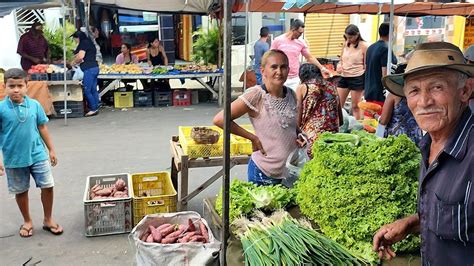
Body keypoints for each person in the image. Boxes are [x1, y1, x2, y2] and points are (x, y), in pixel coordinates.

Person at [372, 42, 474, 264]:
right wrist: (412, 223)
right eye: (414, 91)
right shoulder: (428, 145)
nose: (424, 102)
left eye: (437, 87)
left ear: (465, 91)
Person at [213, 50, 304, 186]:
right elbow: (220, 119)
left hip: (289, 171)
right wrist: (252, 138)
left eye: (283, 67)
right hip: (264, 173)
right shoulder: (256, 95)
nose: (279, 71)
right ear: (263, 71)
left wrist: (299, 134)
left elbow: (290, 125)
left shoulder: (291, 94)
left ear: (288, 70)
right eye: (274, 67)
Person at [0, 68, 63, 237]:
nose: (16, 89)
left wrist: (51, 149)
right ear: (4, 86)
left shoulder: (34, 105)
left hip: (37, 155)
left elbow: (42, 127)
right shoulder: (1, 109)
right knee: (21, 191)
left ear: (26, 86)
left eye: (20, 85)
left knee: (48, 186)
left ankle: (48, 219)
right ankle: (27, 221)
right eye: (11, 86)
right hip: (14, 158)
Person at [296, 63, 341, 158]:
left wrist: (296, 133)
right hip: (334, 137)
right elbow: (340, 120)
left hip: (312, 140)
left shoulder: (302, 88)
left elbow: (298, 113)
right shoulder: (332, 86)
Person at [270, 19, 328, 91]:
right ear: (293, 29)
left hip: (294, 78)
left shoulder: (301, 42)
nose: (301, 35)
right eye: (300, 33)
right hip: (280, 76)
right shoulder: (278, 40)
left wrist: (322, 68)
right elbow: (271, 57)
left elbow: (309, 57)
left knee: (294, 100)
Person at [364, 23, 397, 113]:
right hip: (380, 94)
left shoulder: (370, 48)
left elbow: (366, 68)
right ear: (391, 33)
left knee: (369, 123)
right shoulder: (386, 49)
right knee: (380, 123)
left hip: (369, 91)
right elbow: (385, 74)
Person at [337, 24, 368, 120]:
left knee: (355, 106)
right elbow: (341, 59)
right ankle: (338, 124)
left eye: (351, 37)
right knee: (338, 104)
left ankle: (358, 125)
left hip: (357, 77)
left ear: (357, 35)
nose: (348, 39)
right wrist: (339, 66)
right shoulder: (346, 44)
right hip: (344, 76)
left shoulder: (364, 46)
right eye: (347, 37)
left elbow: (366, 64)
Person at [71, 31, 100, 117]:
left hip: (89, 69)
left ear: (78, 37)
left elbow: (80, 56)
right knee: (93, 89)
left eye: (75, 39)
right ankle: (96, 106)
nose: (75, 41)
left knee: (87, 90)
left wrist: (73, 62)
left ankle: (93, 109)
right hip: (95, 67)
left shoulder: (84, 43)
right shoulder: (89, 42)